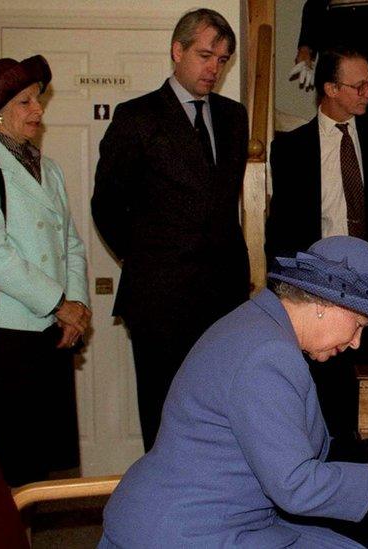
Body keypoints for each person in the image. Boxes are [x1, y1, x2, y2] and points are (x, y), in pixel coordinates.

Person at [99, 236, 368, 548]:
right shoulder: (268, 354)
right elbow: (297, 486)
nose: (356, 342)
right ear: (325, 303)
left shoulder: (258, 323)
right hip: (189, 531)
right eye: (358, 326)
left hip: (216, 518)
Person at [91, 8, 251, 452]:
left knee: (223, 414)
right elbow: (105, 205)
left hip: (224, 299)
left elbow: (222, 204)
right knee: (163, 416)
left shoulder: (234, 117)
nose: (213, 69)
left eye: (222, 60)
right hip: (159, 298)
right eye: (204, 55)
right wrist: (150, 258)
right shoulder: (136, 117)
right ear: (177, 51)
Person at [266, 47, 368, 442]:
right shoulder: (290, 149)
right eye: (360, 85)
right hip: (320, 291)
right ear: (331, 88)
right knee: (325, 396)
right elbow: (280, 228)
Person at [0, 54, 90, 486]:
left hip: (49, 332)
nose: (38, 110)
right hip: (3, 337)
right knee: (3, 465)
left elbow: (70, 243)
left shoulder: (47, 168)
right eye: (26, 102)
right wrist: (58, 303)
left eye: (38, 100)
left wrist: (78, 305)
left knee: (39, 466)